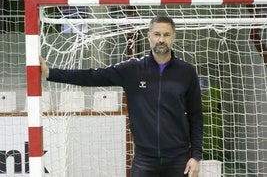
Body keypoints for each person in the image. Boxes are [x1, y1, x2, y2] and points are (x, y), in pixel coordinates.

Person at [40, 16, 203, 177]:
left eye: (166, 35)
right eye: (157, 34)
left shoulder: (186, 72)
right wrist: (50, 73)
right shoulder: (133, 69)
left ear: (173, 37)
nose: (161, 39)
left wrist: (195, 156)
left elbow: (196, 116)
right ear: (149, 36)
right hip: (144, 159)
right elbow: (92, 76)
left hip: (178, 159)